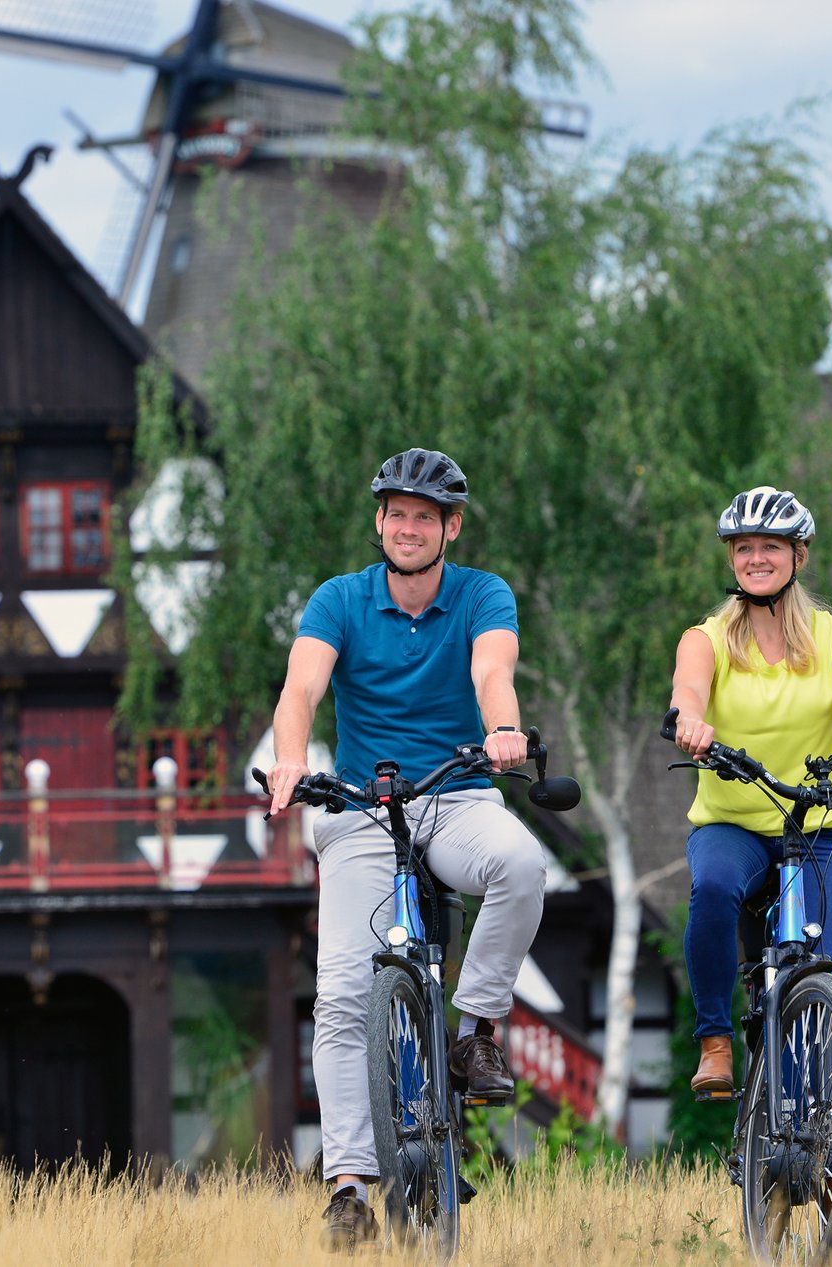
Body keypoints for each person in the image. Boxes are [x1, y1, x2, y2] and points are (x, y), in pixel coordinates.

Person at [266, 448, 545, 1252]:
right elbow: (301, 689)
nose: (410, 527)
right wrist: (292, 757)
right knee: (343, 992)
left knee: (523, 866)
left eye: (427, 516)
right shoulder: (340, 600)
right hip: (361, 806)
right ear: (379, 521)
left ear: (451, 526)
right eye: (397, 513)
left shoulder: (482, 594)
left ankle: (477, 1029)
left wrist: (501, 729)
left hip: (456, 794)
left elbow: (493, 668)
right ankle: (349, 1182)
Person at [666, 486, 832, 1095]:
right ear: (732, 558)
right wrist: (690, 724)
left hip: (822, 829)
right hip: (733, 826)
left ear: (798, 556)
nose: (757, 558)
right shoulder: (704, 640)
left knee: (831, 983)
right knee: (712, 890)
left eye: (771, 547)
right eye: (744, 548)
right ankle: (715, 1042)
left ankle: (830, 1149)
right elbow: (688, 696)